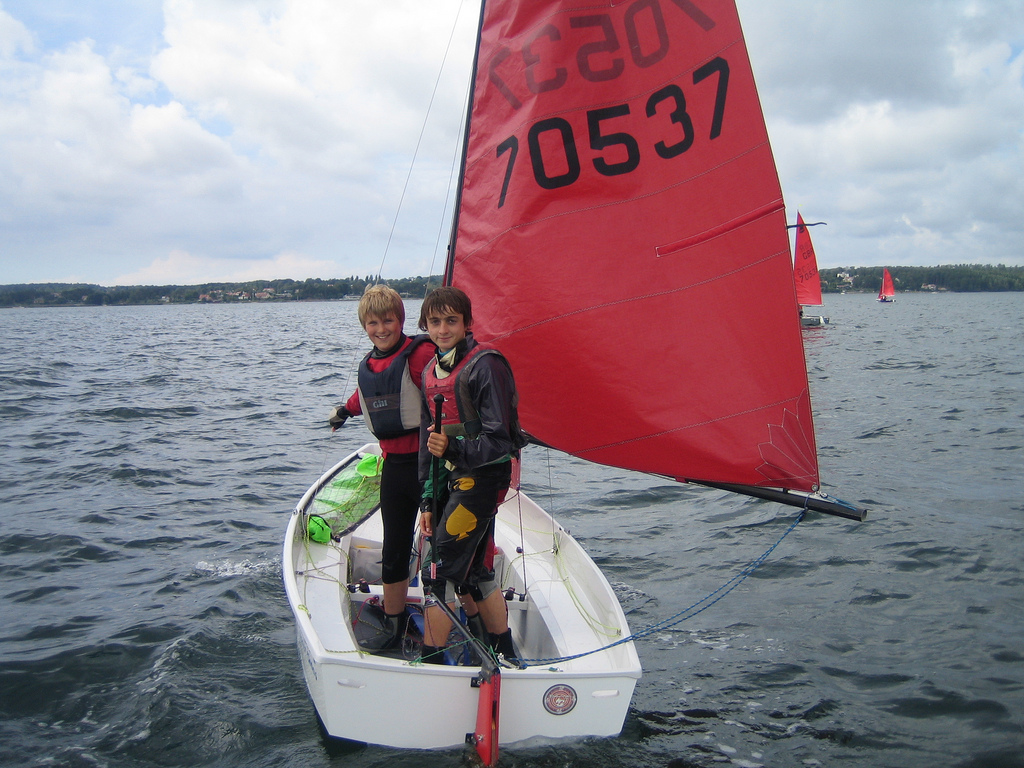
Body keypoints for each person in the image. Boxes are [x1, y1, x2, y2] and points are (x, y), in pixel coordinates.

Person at [416, 286, 526, 664]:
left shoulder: (487, 365)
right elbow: (428, 443)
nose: (443, 328)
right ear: (425, 326)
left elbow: (500, 440)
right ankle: (502, 653)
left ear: (467, 324)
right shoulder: (430, 372)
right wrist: (428, 499)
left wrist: (455, 450)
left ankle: (429, 661)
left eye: (451, 320)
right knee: (476, 572)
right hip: (450, 480)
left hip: (482, 480)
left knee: (438, 570)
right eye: (435, 321)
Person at [328, 284, 437, 650]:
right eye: (372, 323)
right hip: (394, 470)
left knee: (441, 548)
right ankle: (394, 621)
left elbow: (452, 383)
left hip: (430, 467)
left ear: (400, 319)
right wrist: (344, 411)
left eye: (387, 320)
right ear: (365, 326)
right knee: (394, 547)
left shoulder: (421, 355)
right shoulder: (371, 364)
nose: (381, 329)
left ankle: (448, 623)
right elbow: (366, 397)